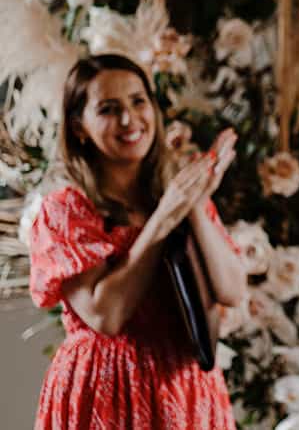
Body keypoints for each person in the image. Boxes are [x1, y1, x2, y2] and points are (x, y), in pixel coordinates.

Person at [28, 54, 245, 430]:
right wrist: (162, 221)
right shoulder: (65, 210)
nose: (129, 119)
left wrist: (191, 202)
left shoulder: (179, 192)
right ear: (80, 127)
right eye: (109, 109)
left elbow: (232, 290)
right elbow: (105, 316)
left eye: (138, 101)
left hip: (186, 387)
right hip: (106, 392)